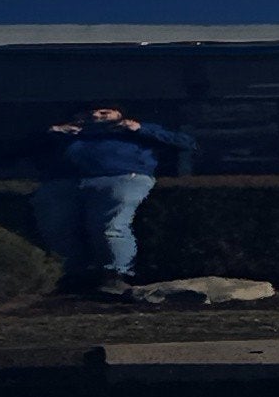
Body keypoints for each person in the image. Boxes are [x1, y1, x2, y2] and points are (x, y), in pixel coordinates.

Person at [33, 102, 187, 288]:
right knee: (58, 227)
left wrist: (141, 129)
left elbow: (185, 142)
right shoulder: (63, 133)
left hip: (121, 178)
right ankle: (71, 274)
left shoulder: (135, 129)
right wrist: (51, 132)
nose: (96, 116)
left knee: (110, 226)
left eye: (104, 112)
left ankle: (116, 274)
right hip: (63, 182)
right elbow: (18, 149)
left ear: (119, 114)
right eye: (88, 113)